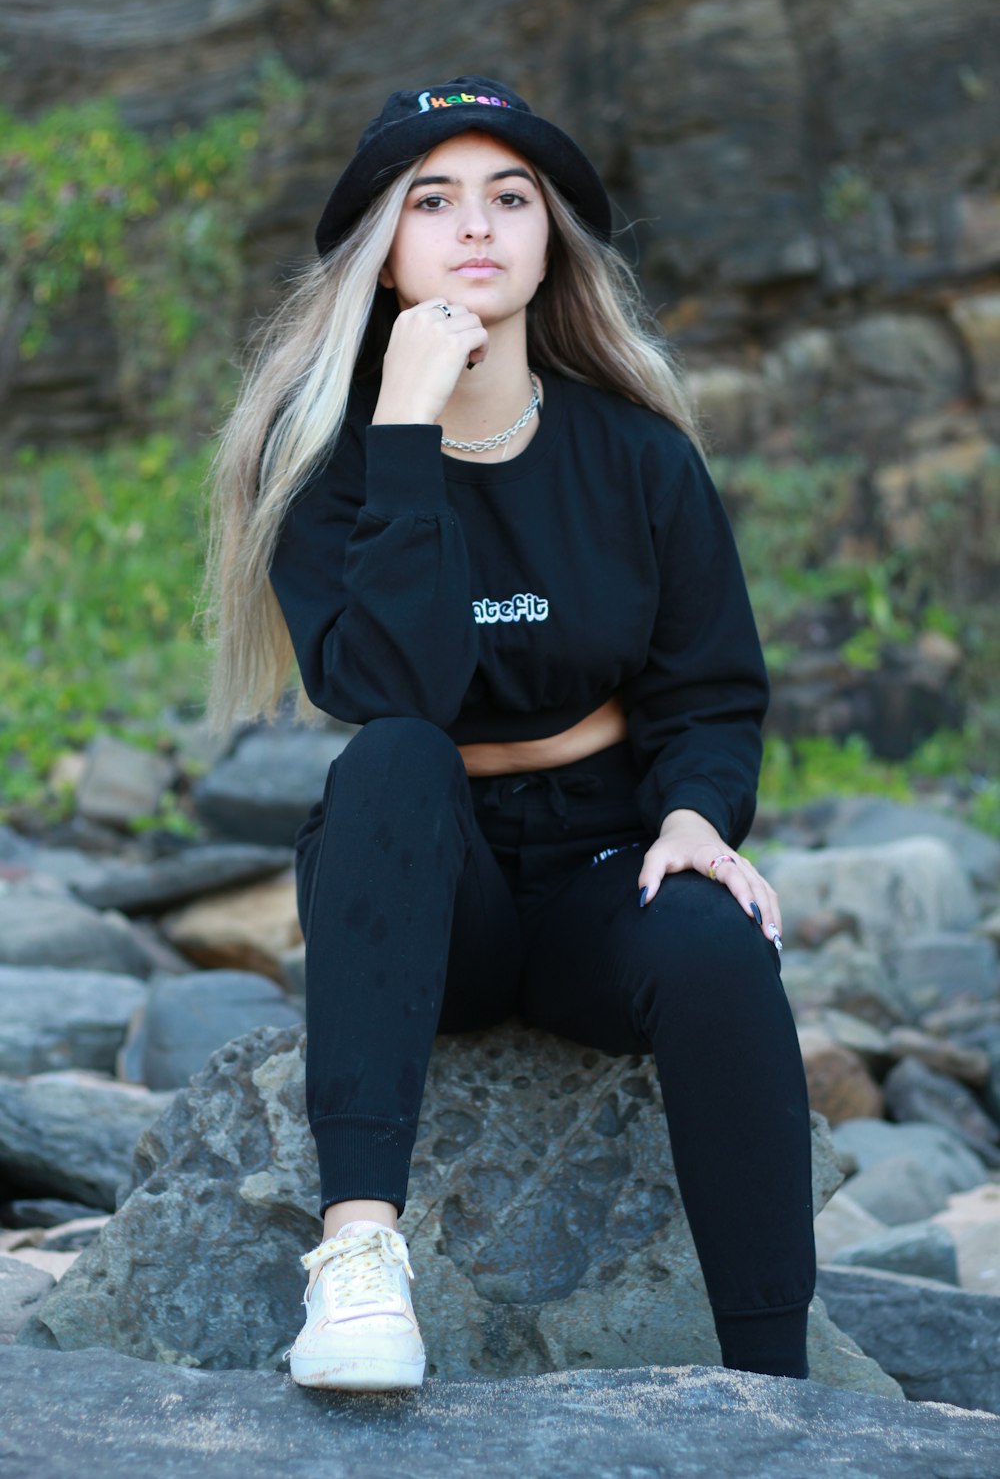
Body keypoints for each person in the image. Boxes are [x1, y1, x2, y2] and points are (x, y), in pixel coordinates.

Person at [205, 75, 816, 1393]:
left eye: (510, 197)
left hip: (604, 869)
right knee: (393, 758)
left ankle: (780, 1388)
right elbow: (395, 685)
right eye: (434, 200)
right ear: (385, 251)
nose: (476, 225)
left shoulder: (638, 456)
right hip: (432, 886)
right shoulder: (331, 463)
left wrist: (698, 818)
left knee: (717, 935)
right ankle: (362, 1266)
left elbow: (707, 689)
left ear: (549, 242)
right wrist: (411, 426)